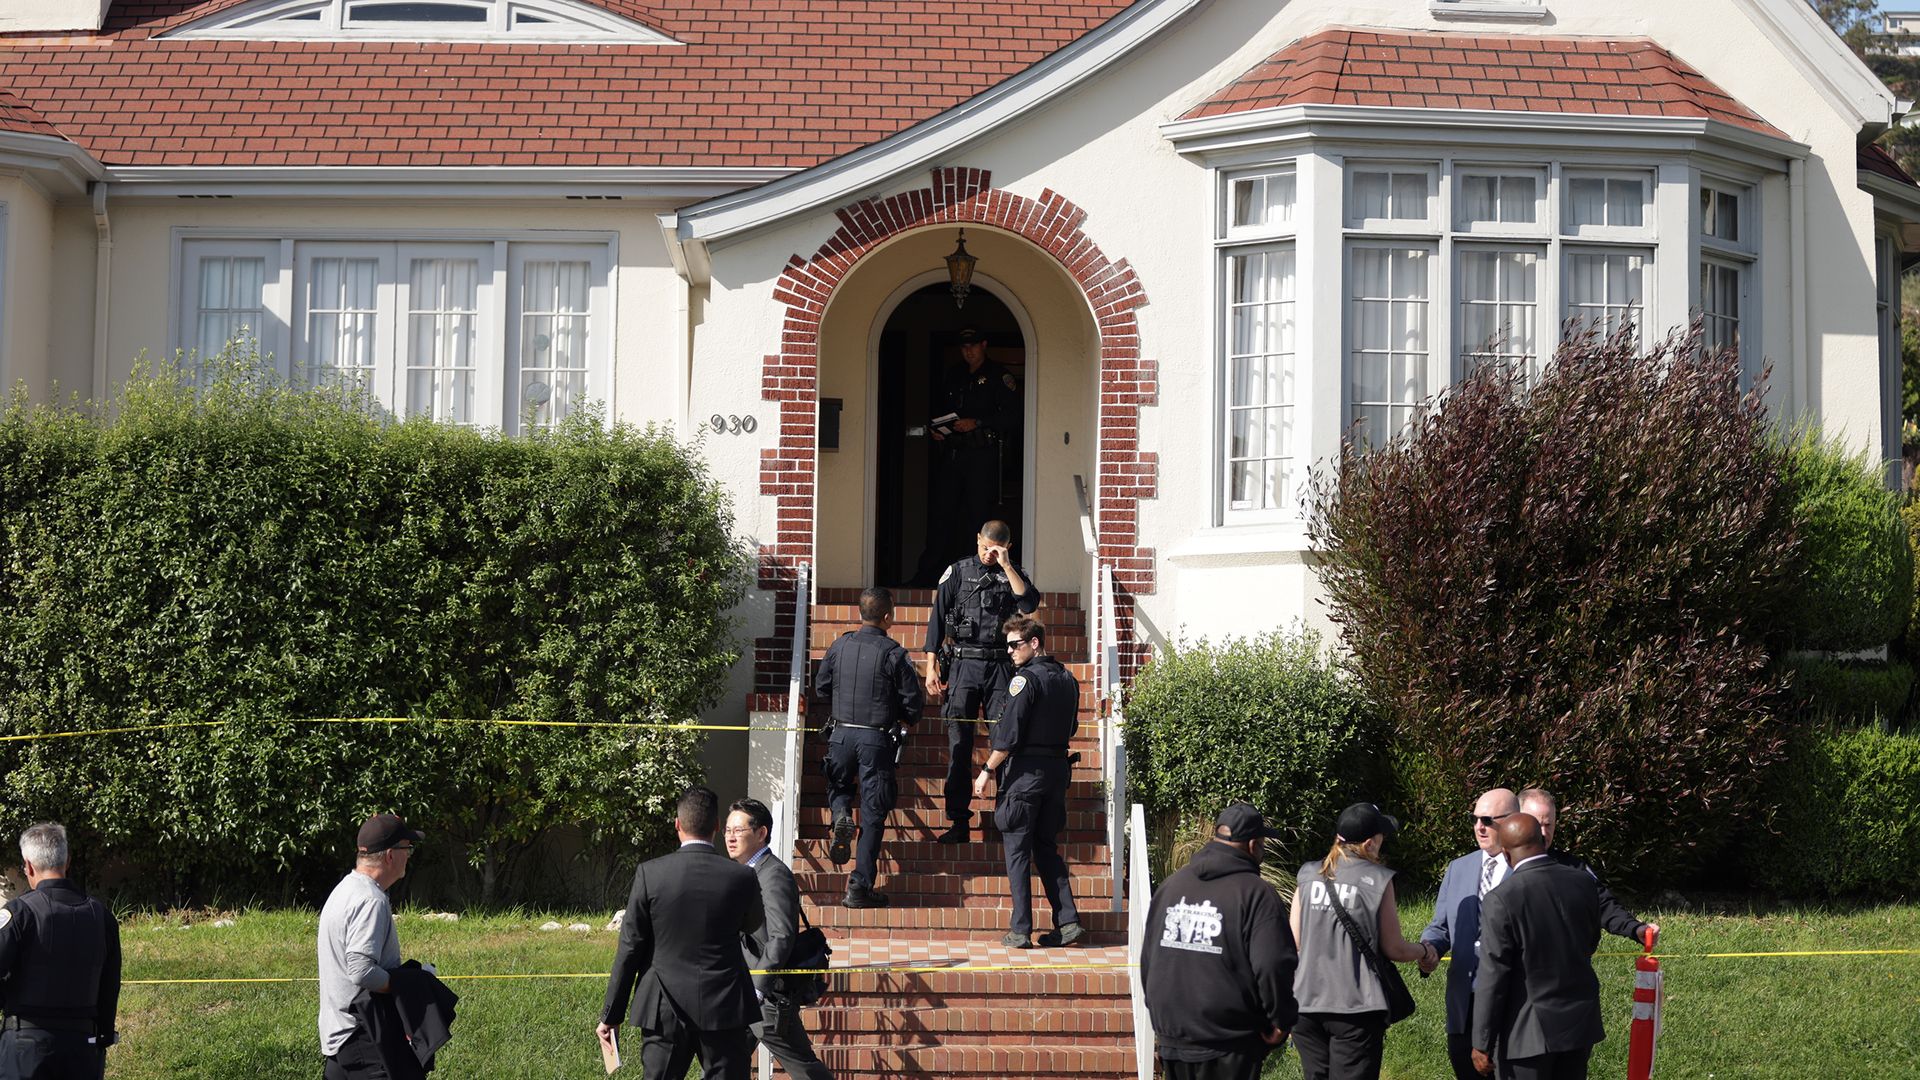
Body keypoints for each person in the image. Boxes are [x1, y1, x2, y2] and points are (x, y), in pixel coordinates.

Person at [600, 786, 765, 1080]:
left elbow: (630, 947)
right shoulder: (743, 876)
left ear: (677, 825)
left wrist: (612, 1014)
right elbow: (751, 924)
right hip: (725, 1003)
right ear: (716, 826)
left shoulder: (650, 873)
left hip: (663, 1005)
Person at [1141, 803, 1297, 1080]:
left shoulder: (1171, 887)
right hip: (1230, 1043)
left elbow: (1149, 959)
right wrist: (1281, 1020)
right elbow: (1273, 964)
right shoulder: (1256, 894)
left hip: (1173, 1038)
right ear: (1253, 845)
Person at [1289, 803, 1429, 1080]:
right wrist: (1425, 950)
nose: (1382, 841)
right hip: (1355, 1008)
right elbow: (1395, 948)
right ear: (1369, 843)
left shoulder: (1307, 875)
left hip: (1305, 1005)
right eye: (1381, 837)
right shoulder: (1378, 879)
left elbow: (1294, 941)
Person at [971, 615, 1083, 948]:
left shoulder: (1025, 680)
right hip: (1056, 772)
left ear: (1034, 643)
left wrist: (986, 769)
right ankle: (1068, 921)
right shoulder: (1068, 678)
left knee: (1017, 851)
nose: (1010, 652)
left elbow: (1009, 734)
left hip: (1025, 776)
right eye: (1007, 646)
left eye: (1015, 645)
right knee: (1047, 849)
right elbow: (1073, 729)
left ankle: (1020, 930)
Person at [926, 520, 1039, 845]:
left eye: (994, 549)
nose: (987, 554)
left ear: (1005, 546)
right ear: (977, 539)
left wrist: (1006, 565)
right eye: (983, 547)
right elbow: (938, 615)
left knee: (1003, 744)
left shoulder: (1012, 573)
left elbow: (1029, 604)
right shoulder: (958, 571)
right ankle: (959, 821)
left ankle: (1006, 819)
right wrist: (931, 664)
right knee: (959, 745)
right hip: (963, 666)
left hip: (1000, 668)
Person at [1471, 814, 1606, 1080]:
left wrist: (1481, 1041)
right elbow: (1591, 942)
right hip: (1578, 1025)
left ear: (1507, 854)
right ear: (1542, 841)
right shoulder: (1583, 882)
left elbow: (1493, 974)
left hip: (1527, 1033)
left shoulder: (1502, 898)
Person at [815, 585, 925, 907]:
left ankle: (839, 815)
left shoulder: (839, 645)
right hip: (876, 740)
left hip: (840, 735)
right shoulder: (894, 654)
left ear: (860, 613)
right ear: (888, 616)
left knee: (837, 783)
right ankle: (858, 887)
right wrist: (902, 717)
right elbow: (913, 705)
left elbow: (822, 687)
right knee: (874, 815)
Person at [0, 822, 120, 1080]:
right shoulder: (102, 917)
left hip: (26, 1047)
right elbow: (110, 984)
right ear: (67, 863)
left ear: (28, 865)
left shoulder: (19, 913)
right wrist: (103, 1036)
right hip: (84, 1047)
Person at [724, 799, 833, 1080]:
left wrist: (758, 988)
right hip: (744, 991)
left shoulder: (773, 875)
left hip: (767, 997)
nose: (730, 837)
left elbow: (781, 936)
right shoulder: (747, 872)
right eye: (727, 830)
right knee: (724, 1066)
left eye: (738, 830)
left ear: (761, 833)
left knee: (804, 1068)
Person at [319, 812, 430, 1080]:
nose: (409, 855)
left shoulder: (344, 889)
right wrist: (407, 985)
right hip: (364, 1036)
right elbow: (361, 970)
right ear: (391, 855)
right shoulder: (371, 900)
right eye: (408, 848)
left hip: (340, 1033)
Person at [1420, 787, 1521, 1080]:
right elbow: (1441, 925)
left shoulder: (1527, 871)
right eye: (1475, 819)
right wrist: (1430, 949)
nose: (1479, 827)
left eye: (1488, 820)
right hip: (1465, 999)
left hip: (1510, 1000)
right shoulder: (1458, 868)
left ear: (1513, 820)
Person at [922, 325, 1020, 574]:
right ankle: (932, 572)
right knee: (942, 514)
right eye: (964, 347)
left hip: (981, 457)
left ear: (984, 345)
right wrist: (937, 429)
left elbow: (1012, 417)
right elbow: (941, 408)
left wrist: (977, 422)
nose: (968, 351)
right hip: (953, 454)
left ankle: (976, 573)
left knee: (976, 515)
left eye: (973, 346)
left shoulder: (999, 376)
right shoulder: (954, 374)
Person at [1518, 789, 1658, 951]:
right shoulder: (1497, 866)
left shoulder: (1573, 869)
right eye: (1536, 824)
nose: (1543, 832)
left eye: (1548, 824)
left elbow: (1602, 904)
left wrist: (1635, 929)